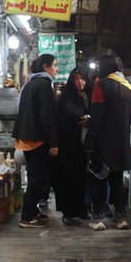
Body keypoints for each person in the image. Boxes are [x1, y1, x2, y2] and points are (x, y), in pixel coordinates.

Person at [84, 54, 131, 231]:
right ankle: (120, 217)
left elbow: (97, 116)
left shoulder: (101, 85)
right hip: (121, 143)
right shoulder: (128, 87)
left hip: (103, 142)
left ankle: (98, 217)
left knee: (99, 178)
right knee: (117, 180)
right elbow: (130, 118)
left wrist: (89, 142)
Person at [12, 54, 59, 228]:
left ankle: (33, 210)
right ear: (46, 67)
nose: (56, 68)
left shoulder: (29, 84)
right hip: (38, 139)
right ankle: (27, 216)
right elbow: (47, 116)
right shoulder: (44, 85)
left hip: (26, 137)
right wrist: (54, 142)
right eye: (54, 65)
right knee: (37, 179)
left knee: (35, 176)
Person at [50, 67, 91, 225]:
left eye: (82, 78)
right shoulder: (66, 98)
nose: (80, 82)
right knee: (67, 178)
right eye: (76, 79)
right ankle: (67, 212)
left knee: (81, 178)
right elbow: (61, 120)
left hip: (82, 147)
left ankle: (81, 209)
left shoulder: (89, 95)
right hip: (67, 146)